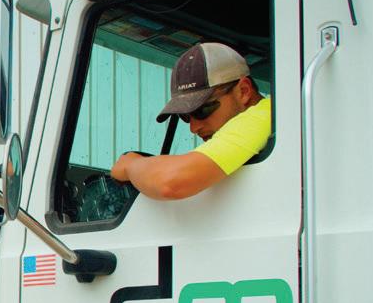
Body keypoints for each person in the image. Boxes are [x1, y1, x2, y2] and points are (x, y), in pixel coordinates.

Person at [110, 42, 271, 200]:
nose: (193, 128)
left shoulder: (263, 116)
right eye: (186, 116)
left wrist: (130, 165)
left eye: (201, 111)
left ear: (243, 91)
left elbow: (171, 183)